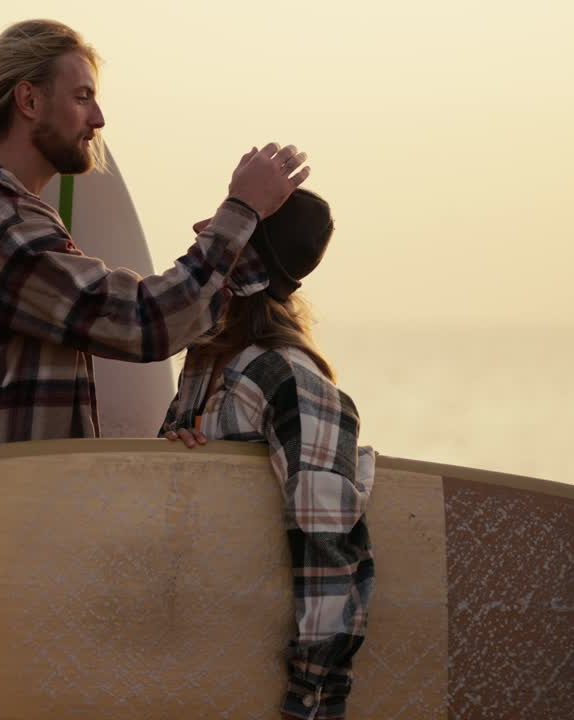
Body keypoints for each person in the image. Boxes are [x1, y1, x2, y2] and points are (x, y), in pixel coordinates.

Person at [0, 19, 311, 458]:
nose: (98, 119)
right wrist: (241, 212)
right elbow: (143, 322)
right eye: (82, 97)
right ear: (29, 99)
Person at [160, 189, 375, 720]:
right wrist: (170, 462)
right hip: (194, 657)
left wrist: (310, 699)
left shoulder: (289, 379)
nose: (199, 232)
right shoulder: (207, 362)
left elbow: (328, 552)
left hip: (267, 686)